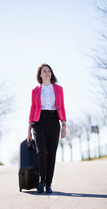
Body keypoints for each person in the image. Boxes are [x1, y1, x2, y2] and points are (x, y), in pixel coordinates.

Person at [27, 63, 66, 194]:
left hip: (54, 121)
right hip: (39, 121)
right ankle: (42, 180)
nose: (47, 73)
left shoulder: (59, 89)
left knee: (52, 154)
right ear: (40, 75)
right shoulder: (36, 90)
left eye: (49, 71)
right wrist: (29, 130)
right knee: (41, 152)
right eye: (44, 71)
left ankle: (48, 184)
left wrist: (64, 125)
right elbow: (33, 109)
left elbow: (62, 107)